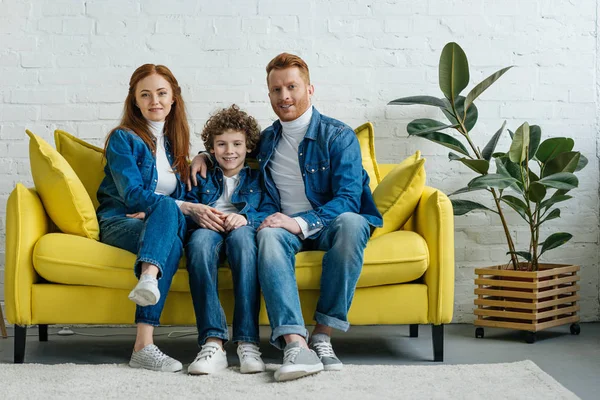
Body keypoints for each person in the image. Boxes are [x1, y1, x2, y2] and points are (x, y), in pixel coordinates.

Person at [190, 53, 383, 382]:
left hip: (330, 224)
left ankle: (322, 336)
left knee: (352, 222)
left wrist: (300, 222)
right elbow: (233, 149)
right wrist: (202, 154)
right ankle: (296, 345)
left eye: (292, 87)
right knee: (265, 233)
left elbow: (349, 199)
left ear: (310, 89)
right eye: (276, 90)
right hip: (284, 229)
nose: (285, 96)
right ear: (269, 95)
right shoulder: (267, 139)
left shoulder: (338, 136)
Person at [96, 64, 216, 372]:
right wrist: (170, 208)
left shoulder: (175, 144)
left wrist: (203, 155)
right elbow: (133, 196)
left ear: (174, 97)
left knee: (170, 236)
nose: (155, 101)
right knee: (167, 208)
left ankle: (143, 346)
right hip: (119, 221)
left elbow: (177, 195)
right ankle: (148, 281)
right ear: (134, 101)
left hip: (152, 226)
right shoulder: (123, 139)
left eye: (162, 93)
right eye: (145, 95)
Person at [183, 105, 277, 375]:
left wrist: (247, 218)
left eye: (237, 143)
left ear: (249, 146)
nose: (229, 151)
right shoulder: (200, 175)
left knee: (245, 243)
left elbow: (271, 208)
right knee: (198, 245)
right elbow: (186, 204)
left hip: (242, 228)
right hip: (207, 228)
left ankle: (247, 342)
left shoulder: (259, 177)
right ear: (211, 148)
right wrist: (199, 218)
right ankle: (212, 342)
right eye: (221, 144)